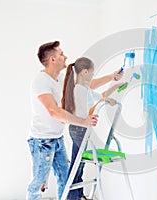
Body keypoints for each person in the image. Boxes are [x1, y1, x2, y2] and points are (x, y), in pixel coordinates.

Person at [27, 41, 99, 200]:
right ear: (52, 59)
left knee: (66, 180)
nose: (65, 56)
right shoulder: (41, 81)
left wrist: (113, 77)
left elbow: (88, 84)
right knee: (39, 183)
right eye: (61, 54)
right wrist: (83, 121)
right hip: (42, 142)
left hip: (57, 139)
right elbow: (54, 111)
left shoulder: (60, 78)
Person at [61, 57, 123, 200]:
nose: (93, 75)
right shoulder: (79, 90)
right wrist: (102, 102)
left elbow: (101, 96)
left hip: (82, 130)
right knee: (76, 164)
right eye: (92, 73)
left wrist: (117, 85)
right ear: (84, 72)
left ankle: (77, 195)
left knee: (79, 164)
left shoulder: (85, 89)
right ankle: (72, 196)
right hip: (78, 129)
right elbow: (88, 113)